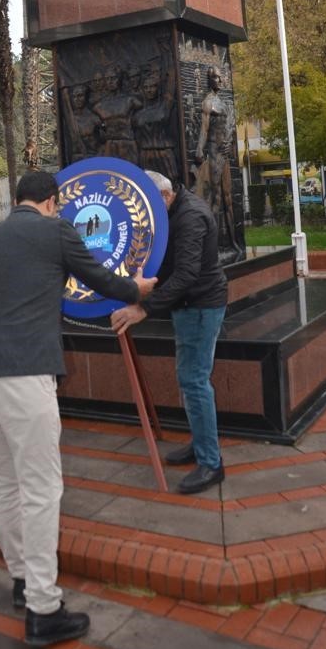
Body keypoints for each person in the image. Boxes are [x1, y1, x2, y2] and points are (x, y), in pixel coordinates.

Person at [0, 170, 157, 647]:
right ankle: (44, 608)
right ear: (52, 201)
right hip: (23, 367)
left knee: (5, 483)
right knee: (41, 488)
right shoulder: (55, 228)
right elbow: (96, 278)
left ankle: (21, 581)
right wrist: (137, 290)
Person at [110, 172, 227, 495]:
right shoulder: (175, 209)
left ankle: (211, 463)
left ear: (163, 196)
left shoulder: (190, 217)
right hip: (190, 307)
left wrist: (143, 309)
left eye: (149, 205)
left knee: (194, 380)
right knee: (189, 379)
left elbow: (187, 274)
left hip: (200, 307)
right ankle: (202, 444)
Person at [194, 66, 239, 252]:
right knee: (216, 199)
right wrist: (199, 150)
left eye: (220, 77)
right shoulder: (208, 103)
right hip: (213, 152)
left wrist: (231, 145)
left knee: (228, 198)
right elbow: (204, 129)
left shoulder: (224, 103)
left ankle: (234, 243)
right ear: (209, 80)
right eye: (215, 77)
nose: (219, 80)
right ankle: (213, 247)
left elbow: (231, 130)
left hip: (225, 153)